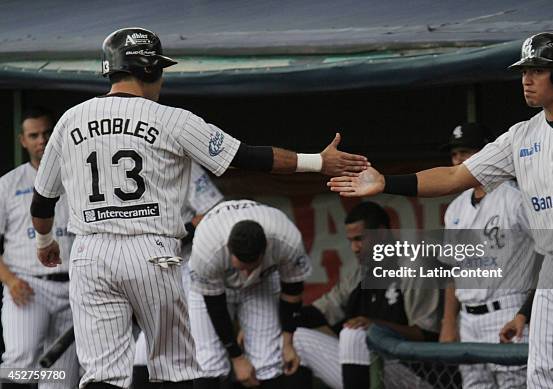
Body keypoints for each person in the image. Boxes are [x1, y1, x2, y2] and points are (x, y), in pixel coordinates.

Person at [30, 27, 368, 389]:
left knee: (102, 376)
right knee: (176, 370)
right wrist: (317, 161)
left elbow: (42, 201)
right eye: (159, 69)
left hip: (89, 252)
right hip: (151, 250)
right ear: (148, 70)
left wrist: (44, 241)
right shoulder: (172, 118)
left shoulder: (69, 120)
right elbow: (246, 157)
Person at [328, 32, 553, 388]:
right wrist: (386, 182)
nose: (526, 79)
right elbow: (453, 176)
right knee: (543, 377)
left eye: (537, 70)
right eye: (523, 71)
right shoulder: (521, 135)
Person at [291, 201, 443, 389]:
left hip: (414, 372)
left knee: (355, 334)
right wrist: (281, 318)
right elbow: (319, 312)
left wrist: (375, 326)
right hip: (369, 367)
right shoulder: (360, 273)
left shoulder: (413, 267)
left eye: (359, 239)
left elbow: (428, 334)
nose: (354, 248)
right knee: (296, 337)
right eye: (351, 241)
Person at [438, 122, 538, 388]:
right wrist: (449, 322)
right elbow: (451, 270)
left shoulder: (515, 197)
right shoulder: (455, 207)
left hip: (507, 309)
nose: (459, 159)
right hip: (467, 319)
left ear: (487, 154)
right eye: (455, 154)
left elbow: (550, 252)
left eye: (467, 152)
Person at [188, 199, 312, 388]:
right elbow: (216, 307)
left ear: (265, 250)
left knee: (268, 363)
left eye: (250, 265)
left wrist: (288, 342)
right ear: (229, 248)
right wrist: (237, 357)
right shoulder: (208, 248)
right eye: (241, 265)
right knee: (209, 363)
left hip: (260, 282)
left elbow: (292, 290)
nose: (245, 273)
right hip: (215, 286)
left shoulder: (286, 239)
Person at [0, 107, 80, 388]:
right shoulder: (8, 184)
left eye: (47, 133)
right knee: (19, 360)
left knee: (61, 377)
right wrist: (9, 280)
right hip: (29, 286)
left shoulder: (77, 178)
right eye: (34, 135)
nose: (41, 140)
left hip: (74, 286)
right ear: (22, 140)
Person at [132, 161, 223, 386]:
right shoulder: (120, 166)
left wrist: (182, 233)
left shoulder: (181, 164)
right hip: (154, 268)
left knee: (204, 347)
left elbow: (213, 210)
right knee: (143, 351)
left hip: (191, 263)